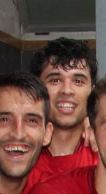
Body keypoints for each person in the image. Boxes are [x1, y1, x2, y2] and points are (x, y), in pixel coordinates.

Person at [28, 37, 100, 179]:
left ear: (92, 92)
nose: (66, 90)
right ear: (36, 88)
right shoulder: (15, 154)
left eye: (78, 81)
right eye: (55, 80)